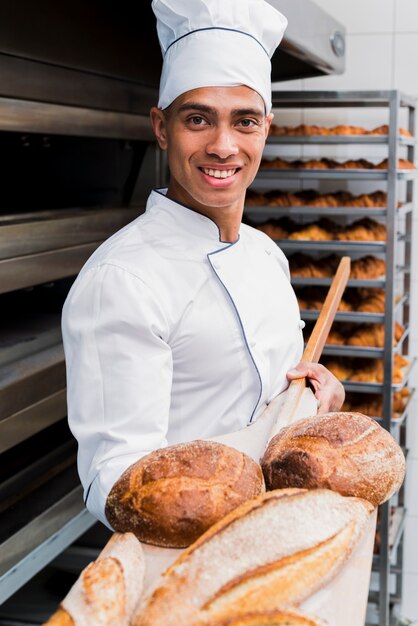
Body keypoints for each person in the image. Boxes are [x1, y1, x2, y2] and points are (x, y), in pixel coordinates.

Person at [62, 0, 344, 528]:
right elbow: (115, 481)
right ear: (161, 127)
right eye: (198, 119)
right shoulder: (121, 281)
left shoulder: (265, 254)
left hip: (277, 530)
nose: (223, 146)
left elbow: (266, 394)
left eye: (245, 122)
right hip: (181, 562)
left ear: (267, 130)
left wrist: (313, 399)